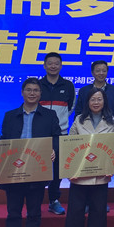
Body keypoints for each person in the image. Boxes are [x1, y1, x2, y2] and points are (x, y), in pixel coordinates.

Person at [0, 78, 61, 227]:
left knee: (34, 212)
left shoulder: (49, 115)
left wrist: (53, 149)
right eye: (28, 90)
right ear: (22, 92)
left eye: (36, 90)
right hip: (14, 171)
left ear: (40, 94)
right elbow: (3, 140)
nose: (32, 93)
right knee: (13, 212)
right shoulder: (10, 115)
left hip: (37, 170)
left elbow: (57, 138)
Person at [64, 87, 114, 227]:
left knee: (98, 210)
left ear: (104, 102)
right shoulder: (79, 120)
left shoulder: (111, 121)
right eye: (93, 99)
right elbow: (70, 145)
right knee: (76, 210)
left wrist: (111, 168)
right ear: (87, 102)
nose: (96, 102)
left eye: (99, 99)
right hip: (79, 175)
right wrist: (70, 171)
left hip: (100, 175)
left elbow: (113, 147)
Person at [75, 60, 114, 212]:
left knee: (101, 172)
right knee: (85, 172)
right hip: (85, 135)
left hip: (105, 134)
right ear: (92, 72)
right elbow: (78, 111)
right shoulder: (84, 90)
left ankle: (99, 204)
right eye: (98, 70)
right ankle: (86, 203)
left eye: (104, 70)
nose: (101, 73)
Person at [39, 52, 75, 216]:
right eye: (50, 63)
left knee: (58, 169)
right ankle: (36, 200)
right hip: (40, 133)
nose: (53, 66)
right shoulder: (38, 85)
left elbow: (71, 107)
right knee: (38, 166)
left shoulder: (67, 85)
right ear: (44, 65)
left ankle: (54, 200)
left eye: (56, 63)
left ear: (61, 66)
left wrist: (58, 121)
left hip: (60, 133)